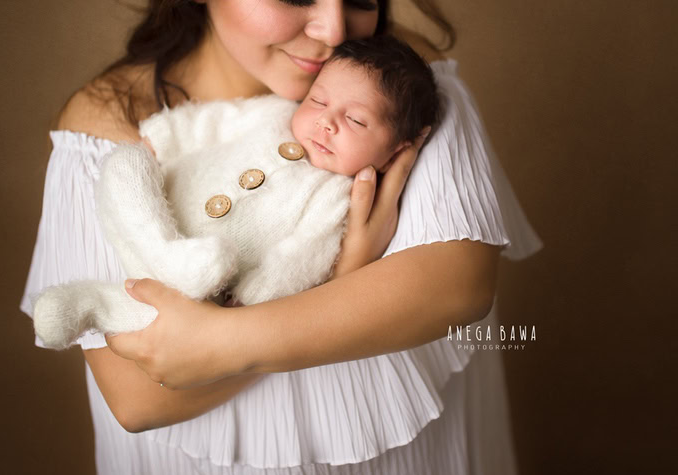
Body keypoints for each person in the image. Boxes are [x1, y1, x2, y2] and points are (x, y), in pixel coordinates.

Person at [20, 0, 543, 475]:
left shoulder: (398, 86)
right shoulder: (109, 121)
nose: (334, 30)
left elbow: (455, 284)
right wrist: (345, 284)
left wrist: (217, 342)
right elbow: (138, 394)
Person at [31, 35, 442, 346]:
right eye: (318, 101)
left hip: (208, 280)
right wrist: (163, 137)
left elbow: (300, 257)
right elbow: (214, 121)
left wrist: (251, 301)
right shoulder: (276, 113)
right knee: (125, 163)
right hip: (153, 216)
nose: (326, 122)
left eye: (355, 120)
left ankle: (90, 304)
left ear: (393, 153)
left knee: (171, 304)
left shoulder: (336, 197)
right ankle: (164, 255)